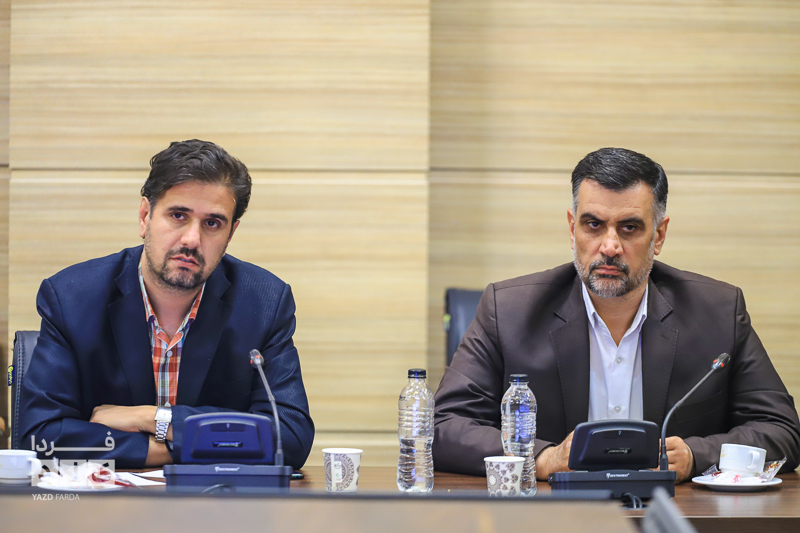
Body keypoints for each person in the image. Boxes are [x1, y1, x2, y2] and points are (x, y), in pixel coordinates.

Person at [433, 147, 800, 482]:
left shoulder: (718, 312)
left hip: (672, 514)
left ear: (659, 235)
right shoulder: (509, 310)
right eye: (593, 224)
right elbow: (443, 427)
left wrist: (696, 455)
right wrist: (542, 458)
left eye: (629, 228)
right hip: (553, 516)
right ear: (572, 228)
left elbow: (781, 430)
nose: (610, 247)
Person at [20, 140, 314, 468]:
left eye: (212, 223)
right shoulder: (72, 298)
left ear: (230, 234)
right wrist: (176, 449)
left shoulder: (264, 303)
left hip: (217, 498)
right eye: (178, 215)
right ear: (145, 216)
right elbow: (39, 437)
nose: (192, 240)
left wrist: (153, 418)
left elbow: (289, 437)